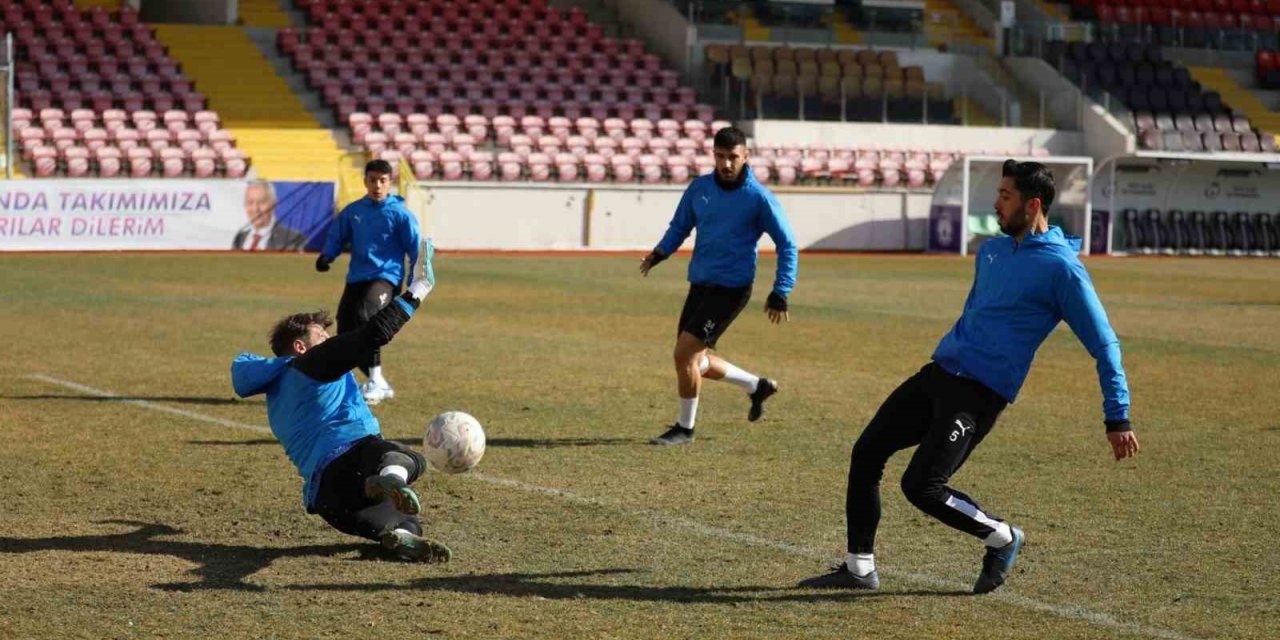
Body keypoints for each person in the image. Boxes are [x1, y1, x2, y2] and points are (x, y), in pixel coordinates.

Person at [798, 160, 1139, 594]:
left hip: (979, 395)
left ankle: (1003, 537)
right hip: (939, 374)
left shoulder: (1063, 269)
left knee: (922, 486)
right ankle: (859, 568)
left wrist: (1117, 416)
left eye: (1005, 196)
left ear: (1033, 205)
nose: (996, 204)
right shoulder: (991, 252)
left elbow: (1105, 344)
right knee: (866, 452)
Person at [231, 241, 449, 562]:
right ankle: (389, 479)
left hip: (330, 501)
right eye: (322, 336)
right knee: (409, 458)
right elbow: (373, 334)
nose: (330, 340)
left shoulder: (277, 393)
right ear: (301, 347)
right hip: (352, 459)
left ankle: (399, 535)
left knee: (405, 521)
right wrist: (420, 287)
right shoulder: (312, 365)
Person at [639, 126, 798, 446]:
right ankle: (757, 386)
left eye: (733, 157)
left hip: (731, 289)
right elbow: (680, 226)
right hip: (700, 284)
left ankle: (685, 429)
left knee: (684, 354)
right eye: (720, 156)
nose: (726, 164)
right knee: (695, 361)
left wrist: (781, 290)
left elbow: (787, 244)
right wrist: (661, 252)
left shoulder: (759, 198)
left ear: (746, 156)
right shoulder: (699, 188)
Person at [314, 159, 420, 405]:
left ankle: (375, 380)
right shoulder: (354, 211)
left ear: (390, 182)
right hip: (356, 278)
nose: (377, 185)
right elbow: (338, 234)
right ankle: (375, 381)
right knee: (346, 331)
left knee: (366, 318)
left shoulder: (400, 214)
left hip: (386, 278)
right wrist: (327, 255)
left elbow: (415, 248)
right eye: (372, 180)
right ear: (365, 181)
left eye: (382, 181)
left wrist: (415, 280)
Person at [233, 180, 307, 251]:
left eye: (262, 202)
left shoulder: (294, 239)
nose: (255, 209)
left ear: (274, 204)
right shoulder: (239, 238)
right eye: (250, 202)